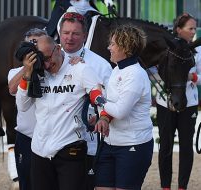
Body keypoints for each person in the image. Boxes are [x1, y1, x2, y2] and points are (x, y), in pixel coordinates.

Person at [16, 35, 101, 190]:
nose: (47, 65)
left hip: (70, 147)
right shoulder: (38, 72)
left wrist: (102, 116)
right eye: (43, 60)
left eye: (48, 58)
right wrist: (26, 75)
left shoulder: (79, 68)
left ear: (58, 48)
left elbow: (98, 93)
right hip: (40, 150)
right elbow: (22, 106)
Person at [94, 24, 154, 190]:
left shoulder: (136, 74)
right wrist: (103, 117)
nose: (109, 47)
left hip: (133, 145)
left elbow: (120, 111)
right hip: (110, 143)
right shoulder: (116, 70)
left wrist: (98, 98)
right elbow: (112, 105)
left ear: (125, 47)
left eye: (112, 44)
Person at [58, 11, 112, 190]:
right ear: (59, 33)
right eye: (66, 33)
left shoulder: (100, 65)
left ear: (85, 36)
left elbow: (109, 99)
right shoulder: (48, 61)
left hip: (87, 144)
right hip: (52, 144)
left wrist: (100, 116)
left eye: (75, 33)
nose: (69, 38)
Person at [156, 13, 200, 190]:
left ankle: (182, 187)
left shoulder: (198, 50)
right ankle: (165, 187)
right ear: (178, 30)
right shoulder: (163, 49)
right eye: (190, 28)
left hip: (188, 104)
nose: (193, 31)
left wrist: (192, 76)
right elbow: (151, 69)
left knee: (186, 147)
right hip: (165, 103)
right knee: (165, 146)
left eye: (195, 28)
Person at [7, 28, 47, 190]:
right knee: (26, 183)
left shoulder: (52, 70)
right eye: (30, 44)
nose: (34, 49)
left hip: (48, 136)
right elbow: (12, 89)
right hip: (26, 137)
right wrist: (28, 68)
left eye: (37, 43)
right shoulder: (15, 72)